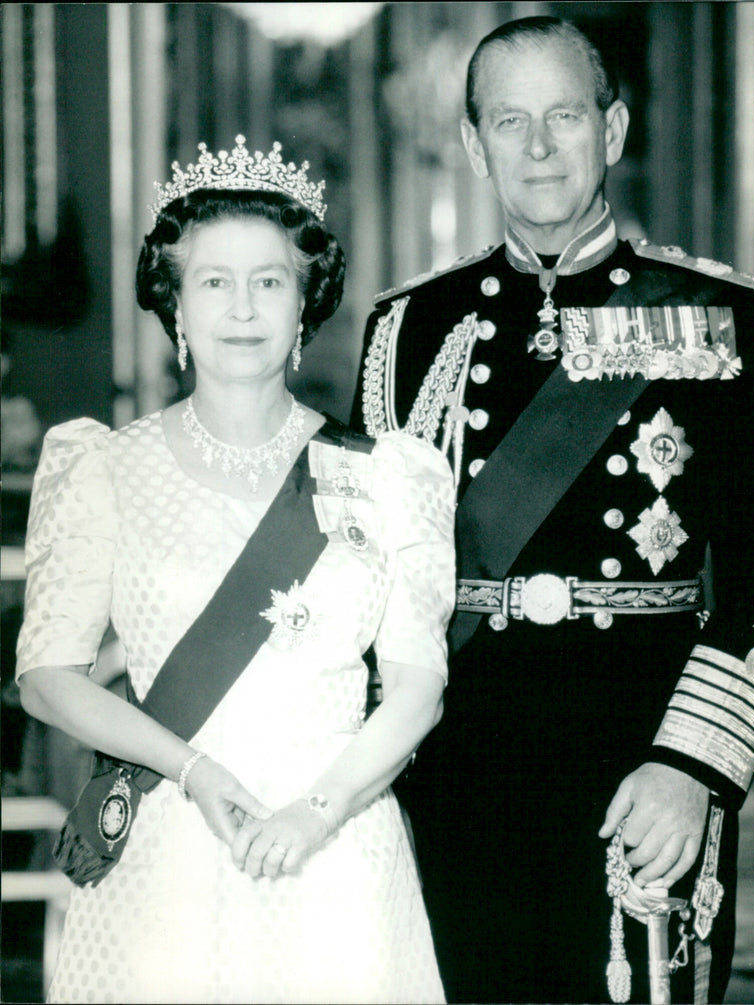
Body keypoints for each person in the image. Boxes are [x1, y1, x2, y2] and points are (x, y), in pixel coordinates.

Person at [352, 17, 754, 1005]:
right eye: (510, 121)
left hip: (637, 766)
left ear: (613, 129)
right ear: (474, 145)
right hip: (454, 776)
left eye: (563, 115)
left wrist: (693, 767)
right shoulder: (410, 328)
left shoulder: (712, 318)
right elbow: (363, 579)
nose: (539, 146)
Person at [16, 135, 455, 1004]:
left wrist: (314, 812)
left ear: (304, 304)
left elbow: (418, 688)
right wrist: (195, 771)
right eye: (214, 281)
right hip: (169, 849)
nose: (243, 307)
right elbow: (45, 678)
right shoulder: (104, 467)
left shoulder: (384, 473)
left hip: (338, 850)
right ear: (175, 304)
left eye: (270, 281)